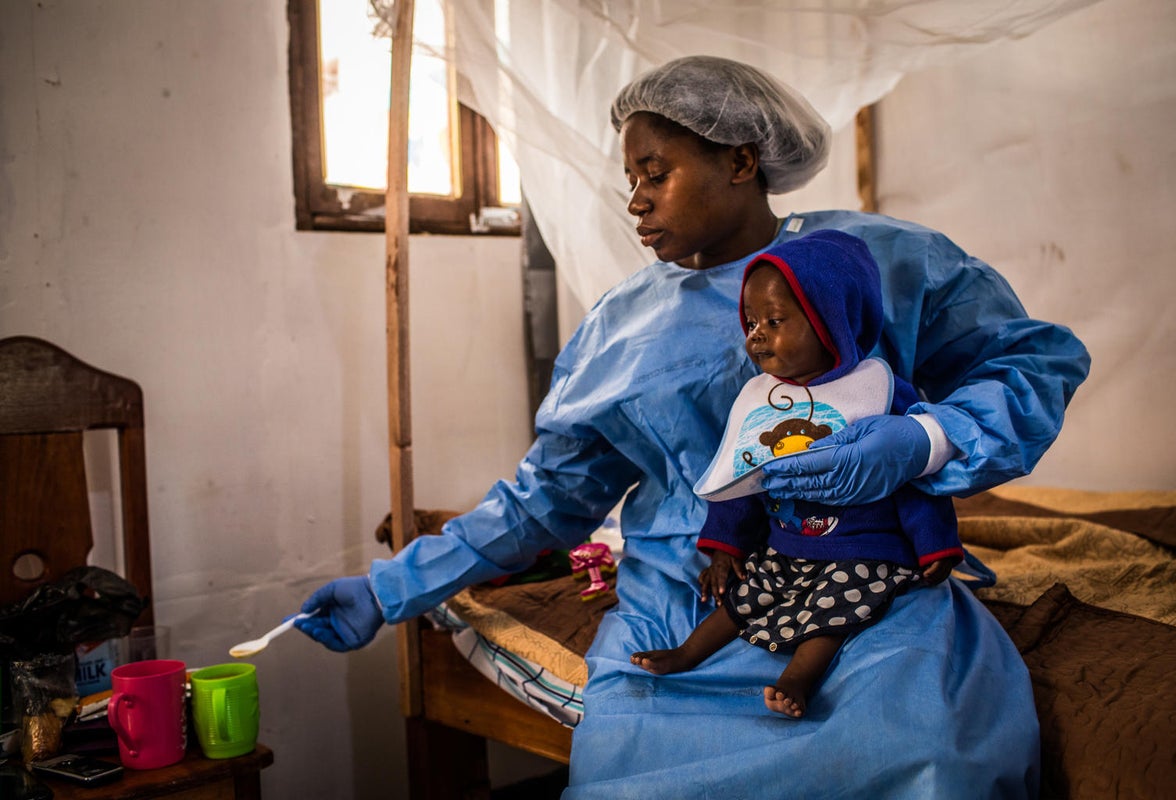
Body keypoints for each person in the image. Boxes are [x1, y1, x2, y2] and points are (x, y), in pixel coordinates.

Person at [297, 55, 1090, 797]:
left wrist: (924, 440)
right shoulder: (618, 332)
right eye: (629, 179)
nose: (635, 199)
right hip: (684, 604)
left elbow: (1031, 364)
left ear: (741, 162)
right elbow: (545, 500)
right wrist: (391, 587)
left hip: (863, 586)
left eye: (656, 173)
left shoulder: (875, 260)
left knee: (933, 751)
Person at [630, 230, 963, 719]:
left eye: (774, 320)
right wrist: (725, 550)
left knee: (835, 609)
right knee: (744, 594)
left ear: (831, 322)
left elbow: (917, 476)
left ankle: (797, 680)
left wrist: (936, 544)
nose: (755, 334)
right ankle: (687, 653)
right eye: (750, 322)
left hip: (863, 548)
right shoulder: (759, 401)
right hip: (786, 542)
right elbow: (739, 482)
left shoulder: (882, 394)